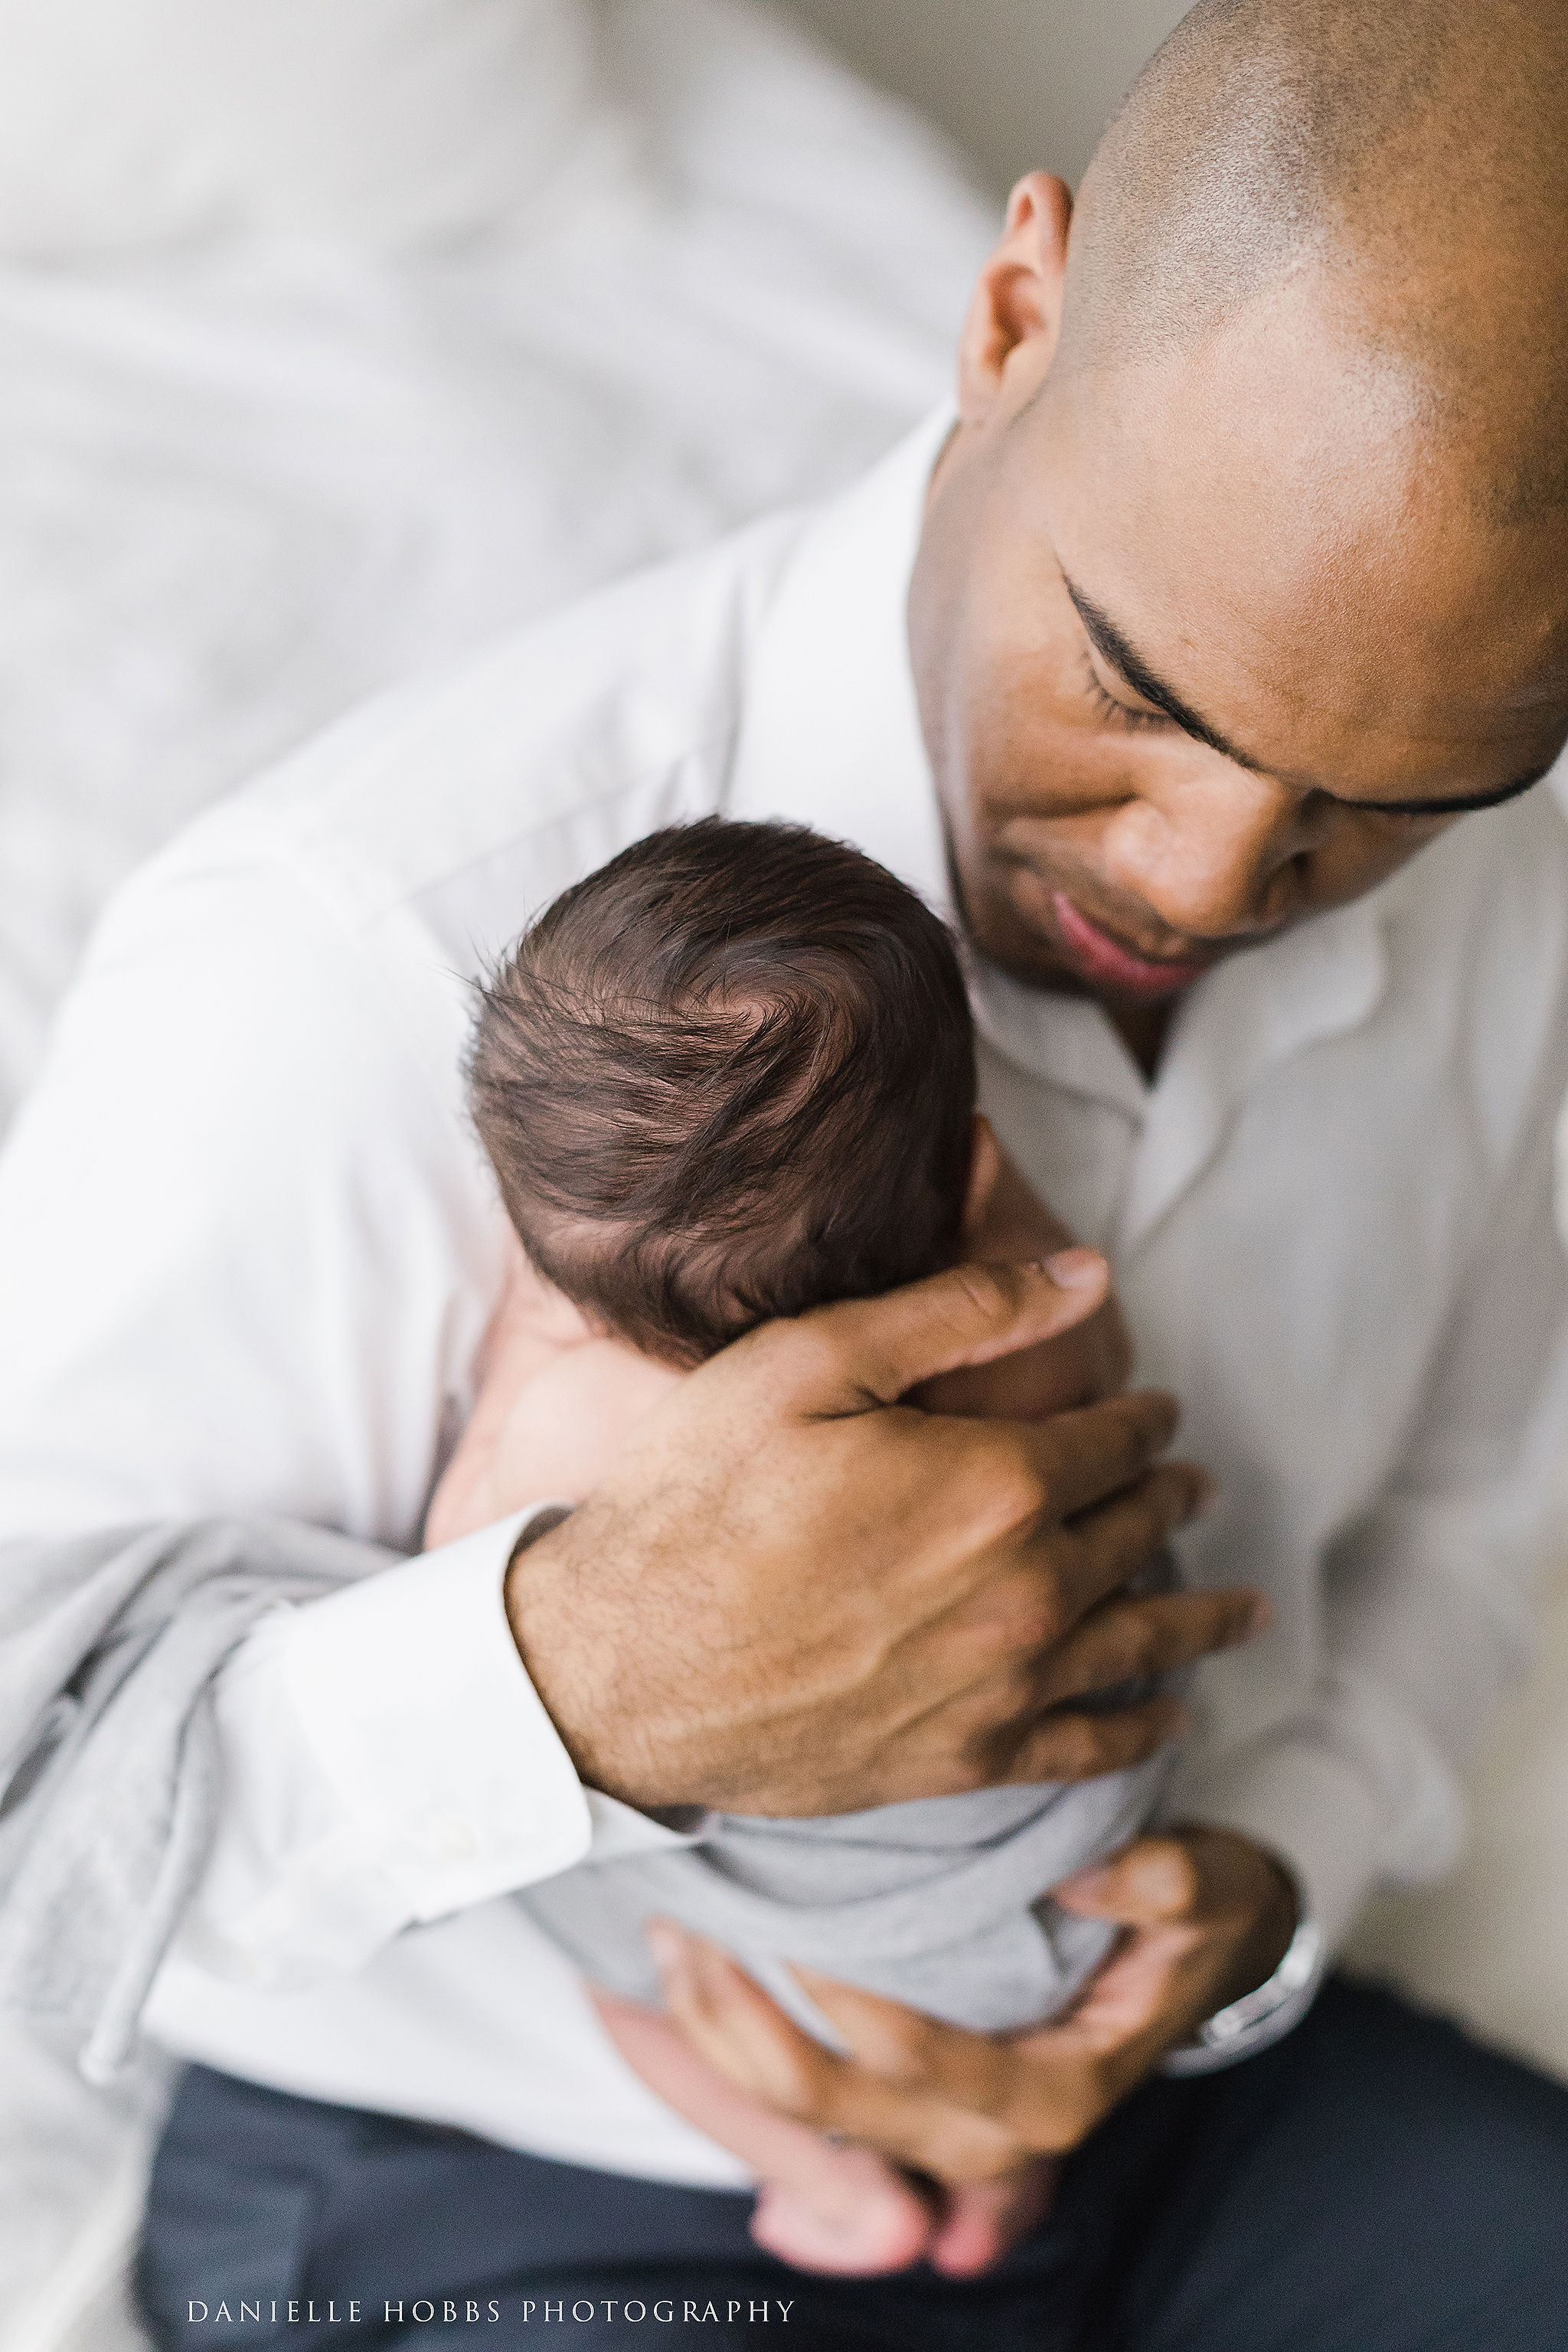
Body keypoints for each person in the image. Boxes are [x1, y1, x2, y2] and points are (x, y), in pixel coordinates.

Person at [2, 0, 1567, 2343]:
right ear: (1013, 312)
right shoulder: (361, 953)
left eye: (1392, 797)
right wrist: (589, 1683)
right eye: (1142, 685)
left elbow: (1473, 1481)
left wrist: (1270, 1879)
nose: (1223, 870)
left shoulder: (1498, 893)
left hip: (1188, 2084)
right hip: (508, 2175)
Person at [425, 812, 1189, 2279]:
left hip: (802, 1966)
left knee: (633, 1998)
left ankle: (830, 2184)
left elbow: (467, 1586)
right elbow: (1062, 1292)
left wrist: (517, 1371)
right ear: (970, 1174)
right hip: (1058, 1894)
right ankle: (1005, 2182)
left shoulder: (582, 1415)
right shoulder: (1032, 1330)